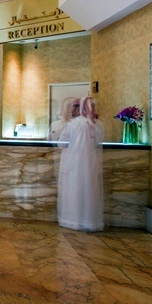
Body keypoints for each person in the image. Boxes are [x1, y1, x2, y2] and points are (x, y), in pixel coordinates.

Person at [57, 96, 105, 231]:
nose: (73, 110)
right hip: (90, 164)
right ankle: (89, 221)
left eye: (74, 107)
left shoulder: (73, 124)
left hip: (73, 164)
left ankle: (73, 220)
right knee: (89, 191)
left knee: (74, 190)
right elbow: (97, 143)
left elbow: (61, 144)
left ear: (80, 109)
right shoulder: (97, 125)